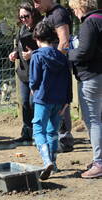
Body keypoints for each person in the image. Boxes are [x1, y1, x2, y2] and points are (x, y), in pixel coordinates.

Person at [30, 21, 72, 180]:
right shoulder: (62, 56)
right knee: (52, 132)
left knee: (38, 130)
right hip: (60, 101)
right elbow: (68, 79)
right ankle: (53, 163)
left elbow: (34, 80)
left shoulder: (37, 56)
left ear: (37, 38)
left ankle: (46, 160)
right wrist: (67, 101)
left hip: (43, 99)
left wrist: (34, 90)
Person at [33, 0, 74, 153]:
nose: (35, 5)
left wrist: (54, 63)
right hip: (52, 66)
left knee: (60, 105)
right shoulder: (49, 15)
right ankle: (55, 141)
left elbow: (64, 42)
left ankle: (64, 140)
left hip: (57, 67)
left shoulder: (59, 14)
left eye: (37, 1)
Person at [68, 0, 102, 179]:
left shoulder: (89, 22)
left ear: (80, 6)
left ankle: (99, 162)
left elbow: (84, 52)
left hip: (92, 77)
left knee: (94, 121)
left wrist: (67, 53)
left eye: (73, 9)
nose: (74, 13)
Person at [8, 2, 43, 143]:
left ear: (33, 14)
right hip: (23, 72)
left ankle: (37, 133)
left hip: (36, 73)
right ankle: (26, 132)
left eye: (26, 16)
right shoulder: (21, 29)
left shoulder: (40, 28)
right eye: (21, 17)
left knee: (33, 102)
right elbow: (18, 45)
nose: (23, 19)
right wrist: (15, 53)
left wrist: (33, 54)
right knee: (24, 103)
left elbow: (47, 48)